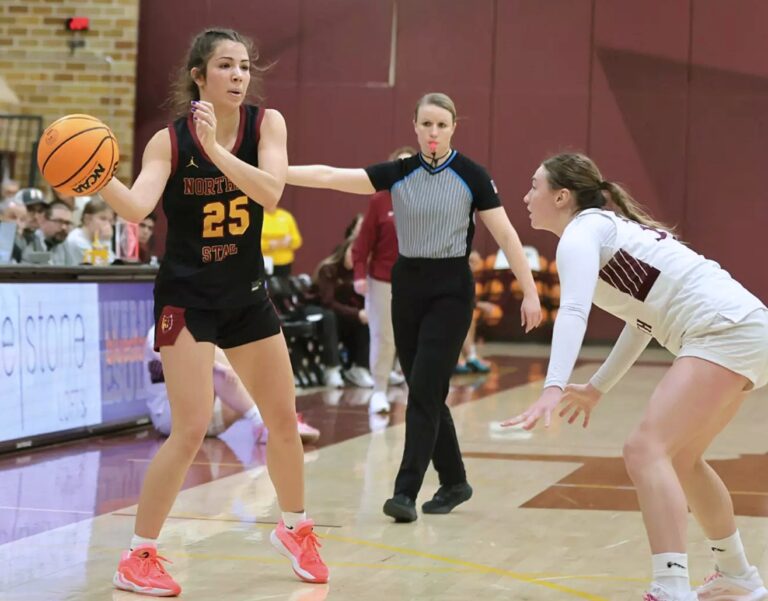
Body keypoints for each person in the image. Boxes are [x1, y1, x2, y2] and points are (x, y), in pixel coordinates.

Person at [98, 28, 328, 596]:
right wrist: (98, 178)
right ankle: (138, 555)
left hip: (246, 295)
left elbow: (272, 192)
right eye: (225, 66)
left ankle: (295, 528)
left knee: (283, 420)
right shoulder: (167, 142)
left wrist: (219, 151)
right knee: (192, 425)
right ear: (199, 76)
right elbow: (137, 204)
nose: (238, 76)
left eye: (244, 67)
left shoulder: (264, 124)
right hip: (186, 299)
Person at [503, 153, 768, 601]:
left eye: (534, 186)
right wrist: (596, 387)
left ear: (562, 196)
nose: (527, 196)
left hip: (722, 329)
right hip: (745, 328)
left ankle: (670, 587)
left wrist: (552, 387)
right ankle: (737, 574)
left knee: (644, 450)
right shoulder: (606, 231)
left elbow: (572, 311)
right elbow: (641, 321)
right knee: (680, 459)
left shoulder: (583, 232)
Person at [287, 92, 541, 523]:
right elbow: (330, 175)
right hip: (407, 288)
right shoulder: (399, 172)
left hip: (451, 291)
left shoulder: (472, 176)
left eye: (442, 124)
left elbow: (507, 236)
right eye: (426, 124)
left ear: (454, 127)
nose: (434, 132)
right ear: (415, 127)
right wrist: (270, 170)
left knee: (423, 389)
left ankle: (404, 492)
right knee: (427, 391)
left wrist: (530, 290)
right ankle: (455, 481)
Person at [144, 326, 320, 444]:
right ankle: (264, 422)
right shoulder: (162, 328)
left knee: (237, 363)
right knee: (213, 363)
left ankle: (274, 420)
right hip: (171, 418)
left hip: (204, 414)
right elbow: (175, 357)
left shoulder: (201, 329)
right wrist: (220, 366)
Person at [352, 146, 414, 413]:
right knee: (384, 337)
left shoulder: (425, 200)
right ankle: (379, 392)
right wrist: (358, 275)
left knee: (415, 338)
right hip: (382, 280)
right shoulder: (379, 200)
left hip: (416, 280)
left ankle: (417, 392)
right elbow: (362, 243)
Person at [316, 237, 373, 388]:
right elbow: (327, 302)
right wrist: (356, 314)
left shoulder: (360, 275)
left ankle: (360, 368)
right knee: (330, 316)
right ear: (344, 250)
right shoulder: (328, 269)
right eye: (351, 252)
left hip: (341, 315)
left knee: (367, 318)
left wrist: (362, 313)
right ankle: (331, 368)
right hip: (317, 310)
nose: (353, 257)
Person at [62, 197, 116, 265]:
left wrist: (106, 240)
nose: (108, 225)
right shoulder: (75, 239)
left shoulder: (99, 239)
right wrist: (105, 241)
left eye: (110, 221)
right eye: (103, 219)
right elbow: (101, 266)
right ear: (87, 219)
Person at [20, 200, 72, 265]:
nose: (64, 227)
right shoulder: (29, 241)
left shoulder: (64, 244)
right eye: (59, 221)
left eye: (67, 223)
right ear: (44, 220)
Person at [262, 204, 302, 275]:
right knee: (265, 285)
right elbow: (251, 242)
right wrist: (269, 244)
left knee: (283, 285)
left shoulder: (286, 216)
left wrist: (289, 242)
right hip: (264, 262)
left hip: (284, 262)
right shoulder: (256, 216)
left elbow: (297, 241)